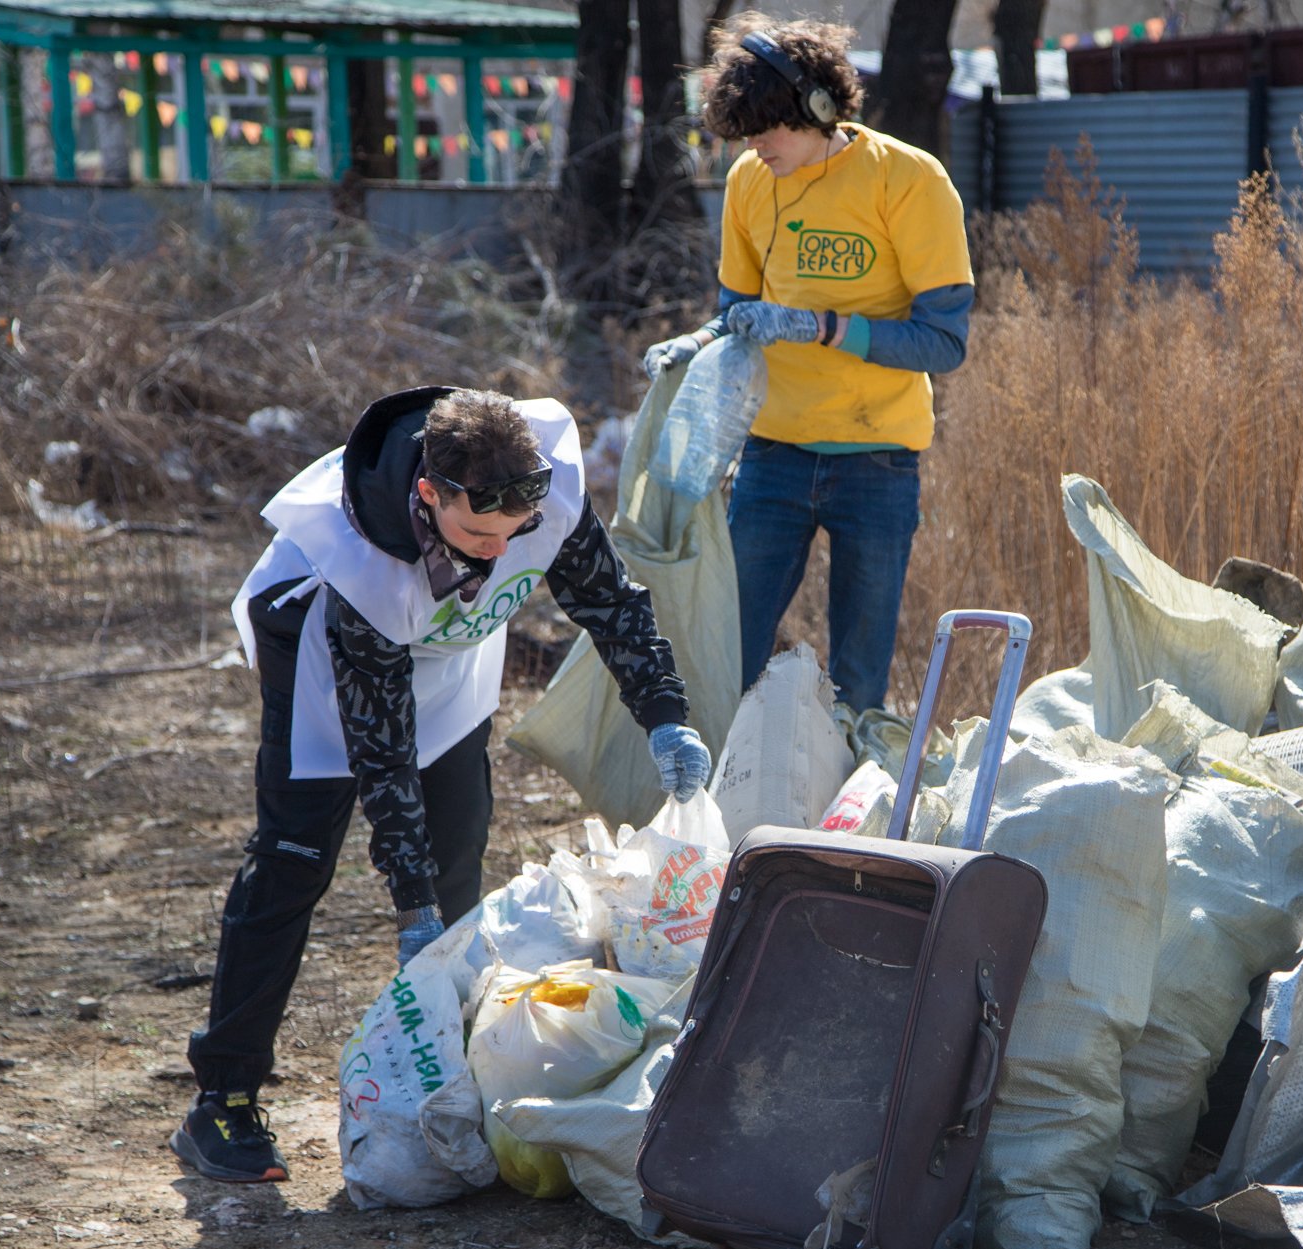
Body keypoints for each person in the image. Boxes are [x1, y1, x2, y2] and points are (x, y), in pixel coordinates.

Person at [171, 386, 711, 1183]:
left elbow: (611, 604)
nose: (495, 552)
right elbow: (382, 754)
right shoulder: (363, 559)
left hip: (450, 652)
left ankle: (449, 1082)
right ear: (429, 494)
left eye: (511, 533)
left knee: (459, 846)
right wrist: (408, 899)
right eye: (473, 533)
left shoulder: (539, 490)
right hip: (325, 649)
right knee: (294, 859)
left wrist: (665, 711)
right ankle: (223, 1098)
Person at [643, 14, 974, 714]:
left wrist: (822, 327)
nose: (757, 146)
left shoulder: (910, 180)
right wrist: (695, 345)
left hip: (877, 458)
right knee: (726, 656)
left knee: (857, 683)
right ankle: (730, 815)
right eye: (746, 133)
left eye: (770, 129)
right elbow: (736, 315)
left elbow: (943, 342)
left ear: (821, 107)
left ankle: (842, 816)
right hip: (772, 454)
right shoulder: (748, 181)